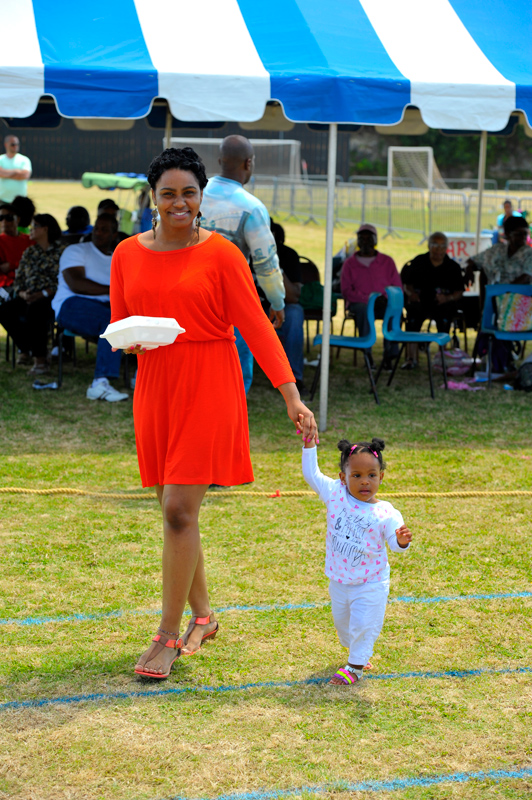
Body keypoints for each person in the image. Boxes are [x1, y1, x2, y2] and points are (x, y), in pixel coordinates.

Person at [110, 147, 316, 679]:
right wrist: (130, 340)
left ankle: (166, 635)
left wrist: (290, 394)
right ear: (152, 198)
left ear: (202, 197)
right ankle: (204, 617)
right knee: (174, 510)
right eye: (168, 193)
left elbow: (256, 326)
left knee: (180, 510)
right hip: (155, 386)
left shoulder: (223, 254)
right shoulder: (126, 253)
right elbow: (120, 322)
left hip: (209, 384)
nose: (179, 202)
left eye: (189, 193)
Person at [302, 435, 412, 685]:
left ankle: (355, 667)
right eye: (357, 475)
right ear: (343, 477)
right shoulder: (335, 494)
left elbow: (396, 546)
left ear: (381, 476)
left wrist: (401, 541)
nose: (365, 481)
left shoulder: (386, 512)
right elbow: (311, 474)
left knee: (363, 625)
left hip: (371, 583)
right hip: (339, 581)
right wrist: (309, 444)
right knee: (344, 627)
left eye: (372, 475)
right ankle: (358, 652)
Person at [200, 135, 285, 393]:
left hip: (189, 299)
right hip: (232, 303)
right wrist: (277, 302)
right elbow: (266, 263)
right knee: (233, 378)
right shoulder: (251, 207)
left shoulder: (193, 196)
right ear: (248, 163)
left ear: (219, 161)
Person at [52, 213, 128, 402]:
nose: (98, 233)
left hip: (105, 306)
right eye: (96, 228)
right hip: (71, 304)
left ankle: (140, 375)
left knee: (141, 318)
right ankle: (99, 383)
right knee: (111, 321)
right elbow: (76, 283)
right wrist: (113, 291)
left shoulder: (117, 258)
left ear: (114, 234)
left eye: (104, 230)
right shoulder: (76, 250)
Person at [0, 214, 62, 374]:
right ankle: (28, 348)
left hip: (53, 297)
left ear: (45, 229)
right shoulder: (30, 252)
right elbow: (19, 279)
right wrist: (22, 294)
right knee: (4, 310)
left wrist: (43, 293)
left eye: (34, 226)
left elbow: (64, 280)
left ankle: (40, 361)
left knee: (36, 310)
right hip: (29, 295)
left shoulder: (61, 251)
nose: (30, 229)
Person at [340, 224, 402, 369]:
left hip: (383, 302)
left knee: (393, 309)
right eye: (362, 238)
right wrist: (367, 299)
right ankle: (367, 354)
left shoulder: (387, 261)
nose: (366, 242)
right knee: (363, 310)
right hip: (360, 303)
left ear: (376, 240)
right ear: (358, 241)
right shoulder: (349, 264)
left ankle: (390, 354)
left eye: (369, 238)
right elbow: (346, 291)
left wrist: (384, 298)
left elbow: (397, 288)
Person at [400, 232, 464, 369]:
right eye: (435, 245)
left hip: (443, 305)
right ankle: (411, 358)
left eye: (442, 246)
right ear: (429, 246)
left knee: (445, 319)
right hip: (420, 302)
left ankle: (442, 358)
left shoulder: (453, 267)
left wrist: (447, 298)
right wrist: (411, 294)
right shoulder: (418, 262)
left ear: (446, 248)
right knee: (412, 319)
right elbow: (406, 284)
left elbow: (459, 292)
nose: (438, 249)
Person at [269, 221, 305, 393]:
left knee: (295, 314)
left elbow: (294, 296)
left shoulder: (288, 255)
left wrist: (273, 266)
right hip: (251, 306)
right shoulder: (241, 252)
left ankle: (293, 378)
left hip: (282, 306)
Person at [466, 215, 532, 287]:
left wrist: (504, 291)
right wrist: (469, 268)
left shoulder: (529, 253)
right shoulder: (497, 250)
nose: (523, 237)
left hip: (520, 293)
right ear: (507, 234)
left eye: (525, 234)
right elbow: (473, 260)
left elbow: (526, 277)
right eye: (519, 234)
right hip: (494, 292)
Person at [0, 204, 31, 295]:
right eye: (1, 218)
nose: (4, 221)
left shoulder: (30, 240)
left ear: (18, 219)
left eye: (9, 218)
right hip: (8, 286)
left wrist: (12, 265)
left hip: (30, 282)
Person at [0, 136, 32, 204]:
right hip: (3, 200)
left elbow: (25, 175)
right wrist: (16, 171)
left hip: (20, 201)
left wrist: (5, 173)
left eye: (17, 144)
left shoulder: (24, 160)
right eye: (13, 144)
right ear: (6, 144)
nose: (15, 146)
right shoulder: (1, 159)